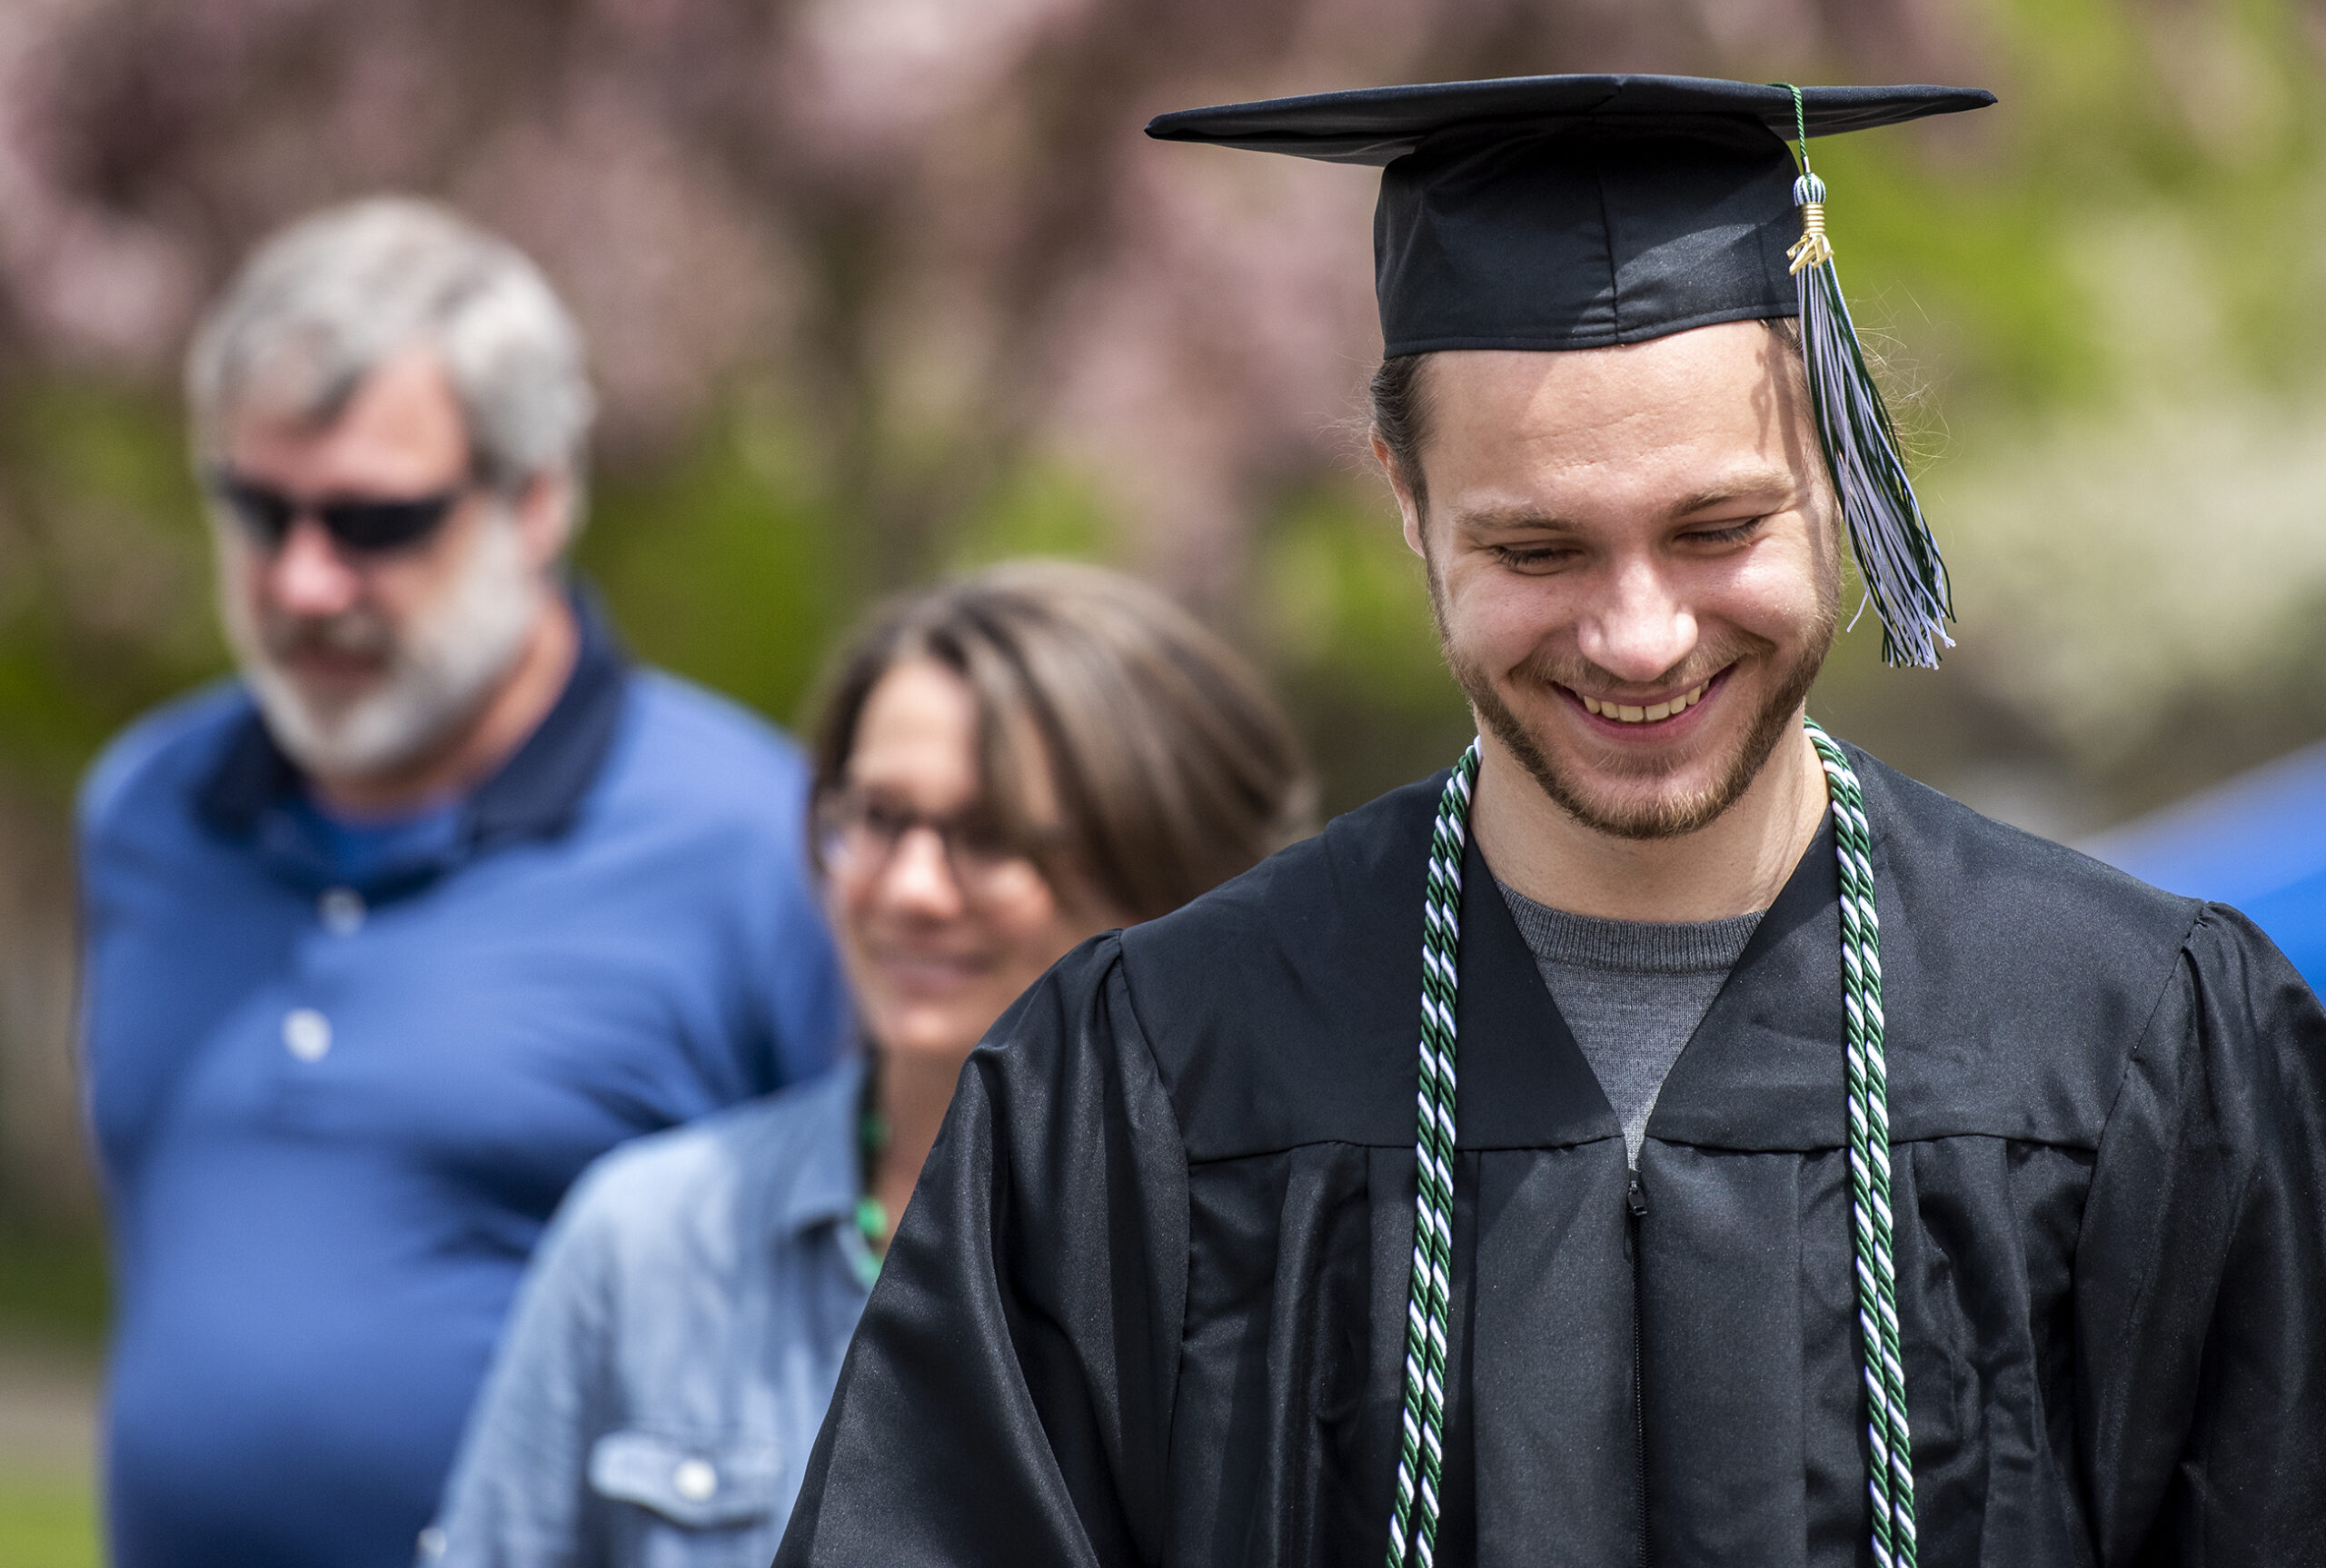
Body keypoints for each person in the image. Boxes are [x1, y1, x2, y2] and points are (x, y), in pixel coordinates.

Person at [773, 76, 2326, 1568]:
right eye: (1539, 547)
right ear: (1404, 494)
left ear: (1840, 471)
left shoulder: (2136, 1043)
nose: (1641, 634)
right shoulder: (1152, 1075)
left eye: (1717, 527)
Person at [75, 197, 849, 1568]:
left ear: (537, 496)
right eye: (259, 510)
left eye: (376, 521)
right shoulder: (146, 810)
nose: (305, 580)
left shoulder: (757, 845)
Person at [422, 561, 1314, 1565]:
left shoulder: (1310, 1270)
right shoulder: (648, 1244)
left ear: (1170, 870)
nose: (912, 890)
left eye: (990, 835)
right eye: (879, 820)